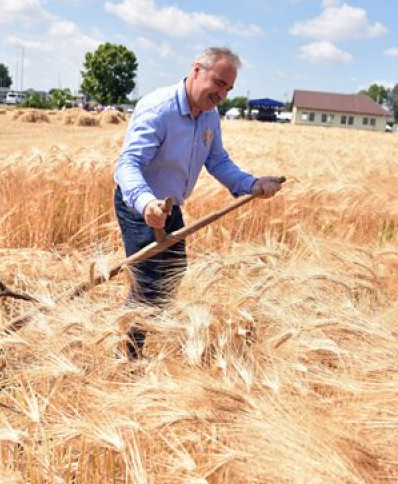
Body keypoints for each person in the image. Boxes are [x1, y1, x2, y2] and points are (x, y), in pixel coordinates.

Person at [114, 47, 284, 358]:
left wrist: (251, 184)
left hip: (171, 206)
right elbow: (127, 164)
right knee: (150, 280)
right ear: (196, 70)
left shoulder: (209, 116)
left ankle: (146, 335)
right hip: (140, 204)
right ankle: (129, 356)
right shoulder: (159, 109)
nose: (222, 94)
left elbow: (217, 160)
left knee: (174, 272)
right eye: (219, 83)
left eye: (228, 88)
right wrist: (146, 203)